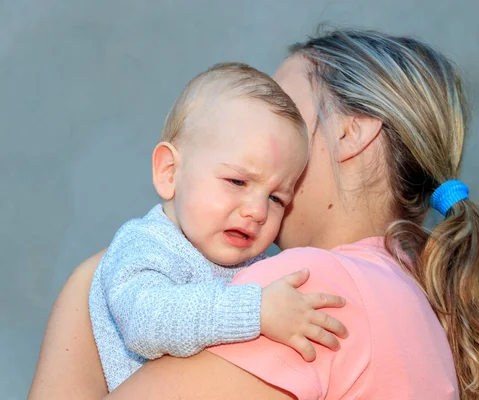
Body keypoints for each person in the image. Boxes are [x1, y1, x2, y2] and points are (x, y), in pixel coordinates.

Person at [29, 29, 479, 400]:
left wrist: (90, 282)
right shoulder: (420, 291)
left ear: (350, 133)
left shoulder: (311, 287)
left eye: (285, 111)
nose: (259, 134)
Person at [88, 62, 349, 392]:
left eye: (276, 199)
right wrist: (255, 310)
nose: (256, 211)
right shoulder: (145, 245)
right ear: (169, 173)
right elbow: (146, 322)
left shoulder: (261, 267)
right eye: (237, 181)